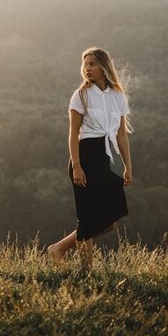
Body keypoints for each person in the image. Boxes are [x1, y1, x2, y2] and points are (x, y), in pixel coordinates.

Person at [48, 47, 132, 270]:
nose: (87, 68)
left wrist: (127, 166)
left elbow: (121, 134)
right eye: (85, 64)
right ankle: (86, 272)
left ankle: (59, 248)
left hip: (103, 158)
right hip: (84, 157)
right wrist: (76, 166)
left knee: (110, 219)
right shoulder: (81, 95)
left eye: (92, 64)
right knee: (87, 218)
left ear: (104, 67)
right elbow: (73, 133)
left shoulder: (118, 97)